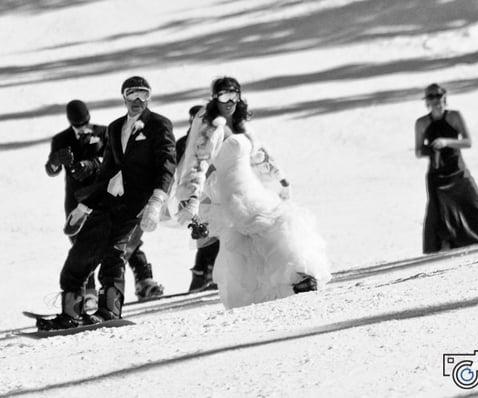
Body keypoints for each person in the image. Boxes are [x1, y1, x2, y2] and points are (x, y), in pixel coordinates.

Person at [176, 77, 330, 309]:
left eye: (234, 96)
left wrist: (280, 180)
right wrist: (191, 203)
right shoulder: (212, 127)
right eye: (223, 96)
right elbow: (198, 166)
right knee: (275, 223)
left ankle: (282, 285)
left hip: (250, 186)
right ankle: (297, 278)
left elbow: (260, 157)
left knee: (264, 232)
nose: (229, 102)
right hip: (232, 192)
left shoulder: (239, 125)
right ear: (214, 98)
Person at [37, 76, 176, 330]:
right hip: (107, 201)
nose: (137, 100)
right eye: (132, 94)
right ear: (124, 97)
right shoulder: (114, 128)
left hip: (136, 203)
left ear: (149, 97)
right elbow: (107, 173)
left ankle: (109, 310)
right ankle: (71, 313)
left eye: (143, 95)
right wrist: (84, 206)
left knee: (114, 254)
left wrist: (157, 200)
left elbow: (167, 164)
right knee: (79, 257)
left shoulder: (159, 125)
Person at [45, 101, 165, 306]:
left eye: (85, 122)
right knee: (82, 244)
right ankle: (87, 292)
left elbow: (117, 159)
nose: (83, 128)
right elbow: (51, 169)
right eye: (78, 124)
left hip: (105, 194)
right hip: (77, 200)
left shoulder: (104, 132)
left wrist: (93, 165)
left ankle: (144, 279)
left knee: (120, 237)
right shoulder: (61, 139)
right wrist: (56, 160)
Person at [415, 83, 478, 253]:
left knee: (476, 204)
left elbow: (468, 141)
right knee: (440, 212)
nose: (436, 101)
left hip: (457, 169)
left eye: (439, 96)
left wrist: (446, 142)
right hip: (437, 174)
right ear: (427, 101)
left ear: (444, 97)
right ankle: (445, 245)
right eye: (431, 97)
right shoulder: (421, 123)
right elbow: (419, 151)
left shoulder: (454, 116)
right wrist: (433, 149)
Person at [175, 104, 220, 292]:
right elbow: (180, 173)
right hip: (197, 195)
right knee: (204, 234)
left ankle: (212, 274)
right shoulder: (184, 143)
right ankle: (202, 276)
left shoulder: (217, 136)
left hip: (216, 190)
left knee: (219, 234)